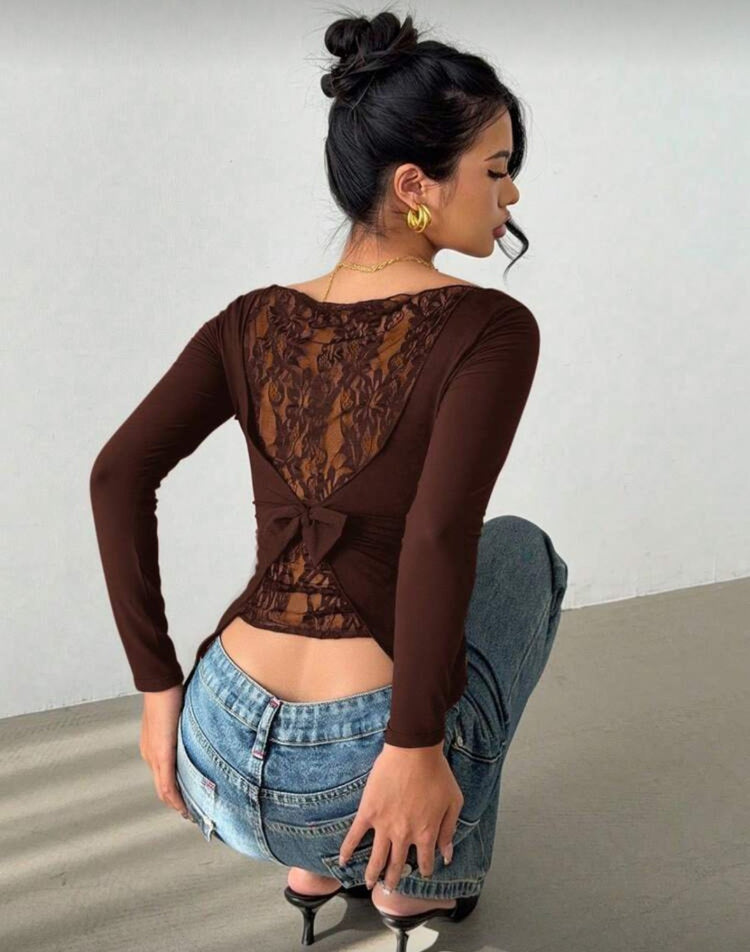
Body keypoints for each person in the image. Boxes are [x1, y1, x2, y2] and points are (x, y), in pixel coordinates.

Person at [89, 9, 568, 950]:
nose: (512, 194)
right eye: (497, 169)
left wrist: (157, 692)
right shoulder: (490, 327)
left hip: (215, 757)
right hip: (360, 777)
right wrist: (413, 744)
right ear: (415, 186)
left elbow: (115, 477)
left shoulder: (249, 319)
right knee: (522, 554)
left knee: (456, 556)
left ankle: (313, 873)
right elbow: (435, 536)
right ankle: (415, 882)